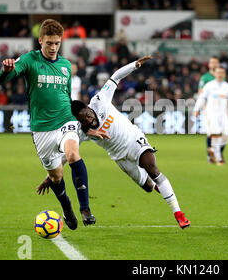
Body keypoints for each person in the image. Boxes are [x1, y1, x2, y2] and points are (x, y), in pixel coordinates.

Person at [0, 19, 107, 230]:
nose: (53, 47)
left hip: (66, 120)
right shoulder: (29, 60)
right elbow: (0, 81)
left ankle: (85, 208)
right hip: (42, 128)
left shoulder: (65, 66)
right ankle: (67, 207)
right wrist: (6, 70)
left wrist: (82, 125)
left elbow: (66, 96)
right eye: (49, 43)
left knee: (73, 154)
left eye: (57, 43)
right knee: (56, 176)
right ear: (40, 41)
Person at [60, 55, 191, 229]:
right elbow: (68, 154)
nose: (89, 119)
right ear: (79, 120)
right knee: (147, 186)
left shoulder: (100, 100)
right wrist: (51, 174)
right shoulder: (81, 131)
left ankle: (179, 214)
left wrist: (134, 65)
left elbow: (115, 76)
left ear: (88, 107)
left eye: (88, 114)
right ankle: (159, 187)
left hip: (133, 139)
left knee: (153, 169)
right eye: (84, 120)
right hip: (119, 156)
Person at [193, 66, 228, 165]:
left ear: (224, 74)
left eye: (222, 73)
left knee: (226, 136)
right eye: (218, 73)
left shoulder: (227, 86)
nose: (220, 75)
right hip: (212, 114)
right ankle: (218, 158)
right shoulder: (209, 85)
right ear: (215, 74)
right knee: (215, 135)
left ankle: (213, 150)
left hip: (224, 114)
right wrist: (196, 109)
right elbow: (202, 97)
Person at [197, 56, 220, 163]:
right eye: (212, 63)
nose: (214, 64)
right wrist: (205, 108)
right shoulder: (205, 78)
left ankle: (215, 153)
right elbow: (201, 93)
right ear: (209, 65)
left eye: (216, 62)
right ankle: (210, 155)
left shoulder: (221, 77)